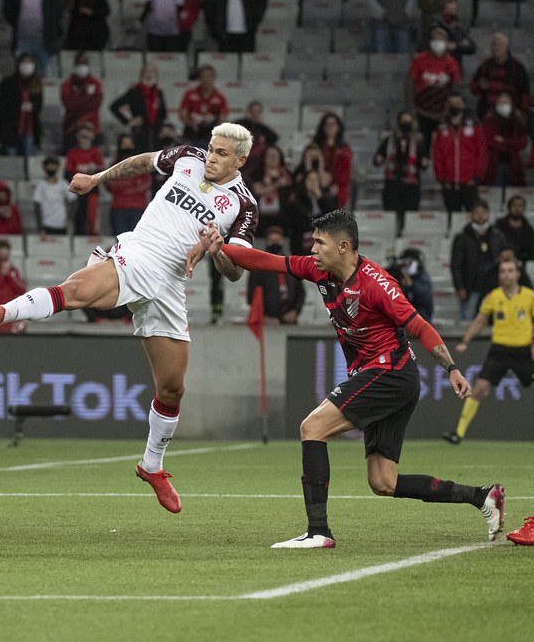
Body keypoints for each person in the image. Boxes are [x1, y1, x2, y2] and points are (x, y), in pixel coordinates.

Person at [0, 123, 259, 513]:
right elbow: (143, 162)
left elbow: (235, 271)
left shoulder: (243, 206)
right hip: (140, 254)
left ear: (240, 160)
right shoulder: (187, 158)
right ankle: (3, 311)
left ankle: (151, 466)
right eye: (211, 149)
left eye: (222, 153)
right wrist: (97, 177)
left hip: (171, 285)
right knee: (76, 293)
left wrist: (217, 249)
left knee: (173, 389)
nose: (210, 157)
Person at [190, 209, 504, 548]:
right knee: (383, 482)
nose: (312, 249)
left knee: (312, 427)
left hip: (390, 372)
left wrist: (452, 368)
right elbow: (264, 261)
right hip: (389, 376)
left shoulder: (377, 284)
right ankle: (482, 497)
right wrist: (220, 247)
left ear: (343, 246)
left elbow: (420, 326)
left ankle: (318, 532)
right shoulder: (317, 270)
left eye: (319, 243)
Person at [443, 256, 534, 445]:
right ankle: (458, 433)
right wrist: (466, 341)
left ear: (517, 273)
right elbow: (480, 320)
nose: (507, 275)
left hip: (523, 350)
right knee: (478, 389)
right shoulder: (494, 297)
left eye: (510, 270)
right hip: (499, 350)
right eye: (503, 271)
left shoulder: (528, 296)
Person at [2, 0, 64, 75]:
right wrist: (17, 23)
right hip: (23, 39)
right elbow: (8, 8)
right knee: (22, 75)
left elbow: (58, 11)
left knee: (48, 76)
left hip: (45, 40)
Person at [432, 91, 485, 225]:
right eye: (452, 103)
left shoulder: (474, 124)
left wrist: (477, 176)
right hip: (449, 183)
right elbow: (437, 154)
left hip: (469, 181)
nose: (455, 106)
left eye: (457, 103)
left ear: (463, 105)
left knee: (472, 218)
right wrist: (442, 179)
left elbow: (482, 151)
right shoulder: (441, 126)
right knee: (452, 219)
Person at [373, 110, 428, 235]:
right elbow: (377, 159)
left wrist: (424, 162)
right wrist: (379, 159)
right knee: (390, 216)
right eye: (404, 121)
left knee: (410, 217)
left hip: (411, 185)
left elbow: (424, 162)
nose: (406, 124)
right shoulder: (389, 140)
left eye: (408, 122)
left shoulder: (418, 141)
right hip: (392, 183)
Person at [451, 199, 508, 320]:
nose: (480, 216)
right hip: (471, 287)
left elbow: (507, 256)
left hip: (494, 287)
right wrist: (459, 287)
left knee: (496, 320)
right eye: (477, 213)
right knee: (469, 320)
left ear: (488, 214)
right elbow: (456, 265)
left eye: (483, 212)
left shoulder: (497, 235)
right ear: (471, 215)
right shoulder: (462, 237)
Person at [409, 28, 462, 149]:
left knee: (444, 147)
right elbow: (410, 85)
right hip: (422, 112)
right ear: (430, 42)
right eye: (435, 40)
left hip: (443, 115)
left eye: (441, 40)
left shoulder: (452, 63)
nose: (438, 43)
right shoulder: (419, 60)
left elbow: (456, 88)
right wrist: (411, 109)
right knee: (422, 146)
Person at [245, 225, 304, 325]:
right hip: (267, 322)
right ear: (267, 242)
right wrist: (265, 317)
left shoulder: (292, 265)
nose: (275, 243)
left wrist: (295, 311)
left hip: (289, 321)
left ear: (283, 242)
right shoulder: (258, 268)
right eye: (272, 240)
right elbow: (252, 296)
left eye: (278, 240)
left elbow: (301, 293)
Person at [469, 33, 530, 121]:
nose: (497, 48)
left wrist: (522, 112)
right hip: (488, 113)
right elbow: (473, 88)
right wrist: (479, 86)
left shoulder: (517, 68)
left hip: (511, 114)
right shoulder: (485, 66)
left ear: (507, 47)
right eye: (494, 45)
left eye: (500, 45)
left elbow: (525, 92)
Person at [0, 55, 43, 158]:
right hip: (10, 130)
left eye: (29, 63)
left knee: (29, 161)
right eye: (24, 63)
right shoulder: (8, 83)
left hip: (30, 130)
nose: (27, 66)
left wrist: (32, 107)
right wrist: (17, 107)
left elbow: (39, 107)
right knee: (11, 160)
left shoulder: (37, 83)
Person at [109, 64, 167, 153]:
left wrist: (162, 126)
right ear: (141, 75)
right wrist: (128, 121)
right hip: (140, 133)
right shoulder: (135, 92)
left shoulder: (158, 93)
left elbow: (163, 113)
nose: (149, 75)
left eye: (152, 72)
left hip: (156, 134)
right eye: (147, 72)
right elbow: (114, 106)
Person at [106, 134, 152, 236]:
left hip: (138, 209)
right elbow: (111, 185)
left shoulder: (142, 165)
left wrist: (124, 186)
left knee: (136, 241)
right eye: (124, 144)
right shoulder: (113, 166)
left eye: (129, 143)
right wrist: (132, 185)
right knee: (120, 242)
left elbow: (146, 185)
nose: (127, 147)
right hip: (119, 209)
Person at [65, 122, 105, 235]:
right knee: (79, 218)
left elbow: (101, 173)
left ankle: (93, 238)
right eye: (82, 133)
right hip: (77, 190)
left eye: (88, 132)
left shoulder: (96, 152)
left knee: (92, 218)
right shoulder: (73, 153)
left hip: (93, 190)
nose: (84, 136)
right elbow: (67, 173)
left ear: (92, 136)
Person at [482, 92, 527, 188]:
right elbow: (490, 141)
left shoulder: (517, 121)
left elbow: (523, 142)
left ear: (511, 105)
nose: (503, 105)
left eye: (506, 103)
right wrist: (511, 144)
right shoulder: (489, 120)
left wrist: (504, 141)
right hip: (495, 164)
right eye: (501, 103)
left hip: (513, 165)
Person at [60, 52, 103, 153]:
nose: (82, 67)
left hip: (92, 127)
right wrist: (87, 98)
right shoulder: (67, 84)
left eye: (84, 63)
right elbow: (68, 103)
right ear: (75, 66)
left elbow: (95, 103)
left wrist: (78, 98)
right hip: (72, 127)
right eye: (79, 64)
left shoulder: (96, 83)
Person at [179, 65, 228, 151]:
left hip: (210, 135)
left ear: (213, 78)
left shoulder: (220, 98)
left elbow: (223, 118)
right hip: (192, 133)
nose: (206, 79)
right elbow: (183, 114)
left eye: (209, 76)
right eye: (203, 76)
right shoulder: (189, 94)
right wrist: (190, 123)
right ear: (199, 78)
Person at [312, 113, 353, 210]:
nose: (330, 128)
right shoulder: (316, 145)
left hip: (336, 188)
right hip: (316, 183)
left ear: (338, 127)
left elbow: (345, 172)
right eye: (327, 125)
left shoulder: (344, 148)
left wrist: (337, 185)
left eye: (333, 125)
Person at [233, 100, 278, 183]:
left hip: (258, 170)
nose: (255, 115)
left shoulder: (263, 131)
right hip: (240, 167)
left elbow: (275, 137)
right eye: (252, 111)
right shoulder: (239, 127)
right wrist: (247, 120)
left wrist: (258, 123)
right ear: (247, 113)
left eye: (258, 112)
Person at [250, 144, 292, 232]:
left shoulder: (287, 174)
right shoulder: (257, 174)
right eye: (270, 156)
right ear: (264, 158)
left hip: (281, 216)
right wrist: (278, 184)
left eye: (275, 155)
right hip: (260, 216)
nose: (273, 158)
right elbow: (258, 191)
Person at [387, 247, 433, 322]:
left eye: (409, 263)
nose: (406, 265)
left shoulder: (422, 277)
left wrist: (411, 285)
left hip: (420, 319)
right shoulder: (401, 276)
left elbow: (424, 298)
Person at [32, 156, 75, 235]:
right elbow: (37, 206)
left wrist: (69, 218)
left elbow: (74, 200)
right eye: (49, 165)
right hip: (46, 224)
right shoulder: (41, 185)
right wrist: (40, 228)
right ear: (44, 168)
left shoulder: (63, 184)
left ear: (58, 167)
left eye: (53, 165)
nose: (51, 168)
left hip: (61, 224)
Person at [430, 0, 475, 73]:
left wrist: (456, 46)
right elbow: (424, 48)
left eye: (453, 10)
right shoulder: (434, 27)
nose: (451, 13)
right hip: (436, 70)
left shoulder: (459, 28)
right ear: (443, 11)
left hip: (455, 70)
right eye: (448, 10)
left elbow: (472, 48)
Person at [495, 195, 534, 266]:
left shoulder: (529, 229)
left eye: (520, 205)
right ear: (509, 207)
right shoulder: (499, 225)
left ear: (524, 208)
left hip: (522, 265)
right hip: (501, 263)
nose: (517, 208)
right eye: (514, 205)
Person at [0, 239, 27, 305]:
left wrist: (9, 276)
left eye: (6, 256)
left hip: (9, 307)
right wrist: (1, 275)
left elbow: (22, 290)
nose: (3, 259)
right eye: (1, 255)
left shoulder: (12, 270)